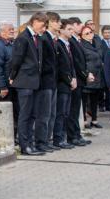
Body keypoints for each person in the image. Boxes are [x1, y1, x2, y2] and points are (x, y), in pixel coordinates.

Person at [9, 12, 47, 156]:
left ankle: (30, 143)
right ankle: (25, 145)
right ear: (35, 21)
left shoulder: (37, 38)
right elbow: (16, 59)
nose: (43, 29)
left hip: (34, 81)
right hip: (24, 81)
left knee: (32, 114)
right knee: (25, 114)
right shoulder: (23, 38)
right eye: (42, 26)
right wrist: (12, 76)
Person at [34, 12, 60, 153]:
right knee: (44, 115)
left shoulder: (50, 38)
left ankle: (46, 140)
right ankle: (41, 141)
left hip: (52, 81)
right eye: (57, 21)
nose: (59, 24)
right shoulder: (44, 38)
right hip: (45, 82)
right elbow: (43, 62)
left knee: (51, 114)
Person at [53, 19, 76, 149]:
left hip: (68, 82)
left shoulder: (67, 44)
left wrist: (74, 78)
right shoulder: (59, 44)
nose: (72, 32)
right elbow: (61, 66)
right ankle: (58, 138)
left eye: (73, 29)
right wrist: (69, 79)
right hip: (62, 83)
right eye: (69, 29)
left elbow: (70, 65)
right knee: (60, 112)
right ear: (61, 30)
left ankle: (63, 137)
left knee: (66, 112)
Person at [67, 17, 91, 146]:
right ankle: (72, 136)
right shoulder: (71, 41)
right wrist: (84, 74)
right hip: (76, 79)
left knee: (76, 109)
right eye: (79, 25)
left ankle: (76, 134)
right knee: (73, 109)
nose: (81, 27)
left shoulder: (77, 40)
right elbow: (75, 62)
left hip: (80, 79)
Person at [0, 22, 17, 140]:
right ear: (2, 32)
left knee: (16, 111)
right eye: (9, 29)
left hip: (14, 84)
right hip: (5, 86)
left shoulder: (11, 44)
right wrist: (2, 87)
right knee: (6, 113)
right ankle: (5, 138)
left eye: (13, 29)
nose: (12, 31)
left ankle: (14, 136)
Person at [80, 24, 104, 129]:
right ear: (82, 35)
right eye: (87, 33)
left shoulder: (96, 42)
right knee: (85, 100)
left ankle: (94, 120)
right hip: (89, 75)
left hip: (98, 75)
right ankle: (85, 121)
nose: (90, 35)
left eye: (91, 32)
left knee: (95, 99)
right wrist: (87, 73)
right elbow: (82, 61)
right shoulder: (81, 45)